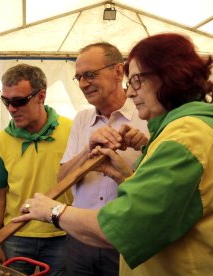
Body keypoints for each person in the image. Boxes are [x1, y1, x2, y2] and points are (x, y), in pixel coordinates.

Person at [13, 33, 213, 275]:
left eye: (137, 80)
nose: (131, 92)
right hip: (85, 237)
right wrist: (119, 173)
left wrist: (52, 210)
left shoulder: (184, 134)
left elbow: (130, 225)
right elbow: (164, 201)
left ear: (169, 76)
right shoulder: (84, 120)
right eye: (79, 77)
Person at [57, 42, 148, 275]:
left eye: (90, 75)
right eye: (79, 78)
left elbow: (158, 188)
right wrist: (88, 151)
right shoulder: (81, 120)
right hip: (80, 238)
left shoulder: (146, 116)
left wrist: (145, 147)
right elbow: (62, 180)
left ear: (118, 71)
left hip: (125, 239)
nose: (83, 84)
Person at [0, 64, 73, 275]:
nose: (11, 109)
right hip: (16, 234)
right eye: (6, 101)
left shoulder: (72, 131)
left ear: (41, 96)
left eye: (18, 101)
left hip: (62, 233)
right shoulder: (0, 142)